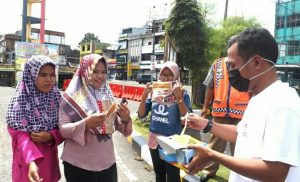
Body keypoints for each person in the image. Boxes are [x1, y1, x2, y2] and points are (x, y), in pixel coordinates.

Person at [184, 28, 300, 181]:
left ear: (257, 62)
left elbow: (275, 173)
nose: (230, 72)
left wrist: (214, 156)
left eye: (233, 66)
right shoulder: (257, 97)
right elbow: (242, 134)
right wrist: (206, 124)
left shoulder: (284, 104)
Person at [58, 54, 132, 182]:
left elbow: (117, 126)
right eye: (95, 71)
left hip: (107, 163)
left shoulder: (106, 94)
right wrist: (86, 123)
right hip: (78, 165)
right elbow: (63, 130)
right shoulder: (74, 96)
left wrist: (125, 119)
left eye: (103, 72)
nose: (100, 76)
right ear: (85, 71)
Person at [199, 36, 250, 181]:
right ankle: (209, 171)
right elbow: (209, 86)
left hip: (242, 113)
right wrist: (204, 107)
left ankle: (241, 175)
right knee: (215, 144)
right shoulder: (217, 64)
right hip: (220, 110)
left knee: (240, 146)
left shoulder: (244, 64)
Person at [6, 55, 63, 182]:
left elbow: (64, 127)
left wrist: (51, 135)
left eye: (52, 75)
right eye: (42, 75)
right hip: (28, 163)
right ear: (31, 75)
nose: (49, 79)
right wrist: (31, 161)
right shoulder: (20, 100)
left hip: (50, 162)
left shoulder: (56, 98)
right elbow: (20, 135)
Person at [138, 61, 192, 182]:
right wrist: (143, 97)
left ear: (176, 77)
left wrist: (179, 98)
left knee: (173, 177)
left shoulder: (182, 93)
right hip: (154, 141)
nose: (165, 78)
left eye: (169, 75)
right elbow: (141, 115)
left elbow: (186, 117)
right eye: (163, 74)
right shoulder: (153, 92)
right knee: (159, 174)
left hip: (172, 143)